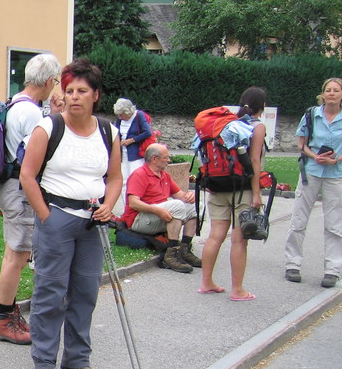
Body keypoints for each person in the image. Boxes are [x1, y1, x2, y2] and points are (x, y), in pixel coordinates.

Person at [19, 58, 121, 369]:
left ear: (96, 95)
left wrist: (108, 205)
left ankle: (76, 360)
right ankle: (44, 362)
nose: (74, 97)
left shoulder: (108, 132)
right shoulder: (48, 128)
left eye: (82, 91)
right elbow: (27, 176)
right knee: (50, 291)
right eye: (70, 91)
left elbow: (115, 177)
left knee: (86, 292)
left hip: (93, 222)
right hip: (57, 217)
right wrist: (46, 216)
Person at [0, 52, 61, 345]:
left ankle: (8, 313)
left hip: (12, 187)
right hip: (20, 190)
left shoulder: (15, 103)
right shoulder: (31, 112)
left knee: (15, 253)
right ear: (48, 81)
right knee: (16, 255)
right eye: (56, 81)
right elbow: (37, 155)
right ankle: (3, 319)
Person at [197, 87, 267, 300]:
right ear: (262, 106)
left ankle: (206, 282)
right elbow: (254, 161)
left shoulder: (225, 124)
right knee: (239, 240)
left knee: (215, 236)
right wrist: (256, 193)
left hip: (218, 186)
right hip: (242, 189)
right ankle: (237, 290)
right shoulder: (257, 126)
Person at [284, 77, 342, 288]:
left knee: (335, 224)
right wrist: (314, 156)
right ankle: (292, 264)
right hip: (311, 172)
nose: (332, 93)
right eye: (328, 90)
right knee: (299, 219)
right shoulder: (311, 115)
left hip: (336, 174)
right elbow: (302, 144)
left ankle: (332, 270)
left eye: (336, 90)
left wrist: (336, 159)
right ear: (323, 94)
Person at [124, 143, 202, 273]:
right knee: (177, 205)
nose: (169, 160)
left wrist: (189, 196)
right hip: (139, 220)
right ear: (154, 159)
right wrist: (157, 211)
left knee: (196, 206)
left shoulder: (164, 175)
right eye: (166, 157)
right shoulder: (139, 174)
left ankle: (184, 249)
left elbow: (180, 196)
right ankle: (170, 255)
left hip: (158, 215)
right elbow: (133, 203)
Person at [112, 98, 152, 214]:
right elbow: (116, 132)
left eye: (121, 114)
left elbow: (147, 132)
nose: (119, 117)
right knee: (123, 181)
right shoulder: (120, 119)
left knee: (136, 180)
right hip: (123, 154)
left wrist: (132, 140)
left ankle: (139, 208)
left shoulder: (139, 116)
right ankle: (127, 209)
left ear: (128, 112)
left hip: (136, 155)